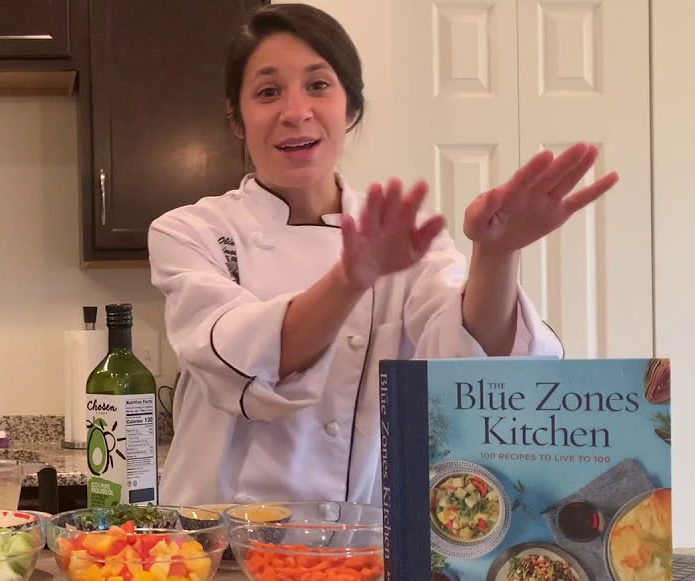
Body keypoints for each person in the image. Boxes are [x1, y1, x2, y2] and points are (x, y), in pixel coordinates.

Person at [149, 4, 618, 507]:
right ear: (236, 120)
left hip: (361, 553)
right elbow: (245, 362)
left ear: (350, 107)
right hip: (218, 554)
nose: (295, 111)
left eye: (318, 85)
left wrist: (498, 252)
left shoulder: (401, 239)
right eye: (268, 92)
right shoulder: (191, 232)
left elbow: (468, 363)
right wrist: (352, 278)